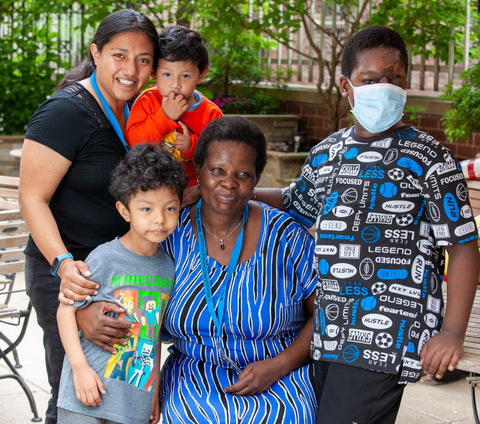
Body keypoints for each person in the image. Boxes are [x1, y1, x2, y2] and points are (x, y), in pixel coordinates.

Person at [255, 25, 480, 423]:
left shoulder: (431, 158)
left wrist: (451, 332)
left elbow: (462, 247)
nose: (384, 87)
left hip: (389, 334)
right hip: (327, 329)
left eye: (394, 79)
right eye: (370, 79)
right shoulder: (328, 153)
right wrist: (228, 190)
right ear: (346, 86)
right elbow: (294, 203)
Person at [65, 116, 318, 423]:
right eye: (217, 171)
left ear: (257, 178)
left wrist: (279, 366)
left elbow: (324, 315)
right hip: (193, 377)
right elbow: (121, 276)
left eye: (243, 174)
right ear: (198, 171)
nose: (229, 182)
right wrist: (82, 311)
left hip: (279, 377)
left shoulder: (286, 236)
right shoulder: (169, 233)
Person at [18, 9, 160, 423]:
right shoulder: (66, 112)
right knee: (71, 396)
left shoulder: (138, 110)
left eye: (144, 59)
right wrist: (65, 268)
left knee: (112, 396)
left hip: (115, 274)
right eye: (119, 55)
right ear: (96, 54)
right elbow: (32, 198)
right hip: (65, 272)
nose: (131, 70)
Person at [56, 144, 186, 424]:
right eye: (146, 208)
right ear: (125, 211)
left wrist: (154, 392)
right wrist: (79, 369)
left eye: (170, 208)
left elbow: (152, 333)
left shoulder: (169, 267)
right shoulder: (104, 258)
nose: (159, 219)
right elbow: (65, 310)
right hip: (85, 396)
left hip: (133, 406)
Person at [126, 25, 223, 188]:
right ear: (154, 73)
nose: (175, 85)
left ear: (201, 75)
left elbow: (218, 155)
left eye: (185, 76)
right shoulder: (147, 101)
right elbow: (135, 143)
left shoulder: (210, 114)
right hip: (150, 188)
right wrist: (165, 116)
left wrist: (192, 146)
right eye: (167, 75)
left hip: (191, 189)